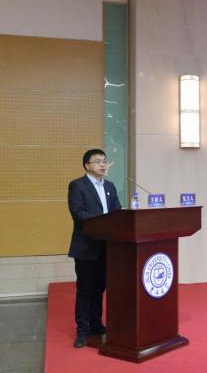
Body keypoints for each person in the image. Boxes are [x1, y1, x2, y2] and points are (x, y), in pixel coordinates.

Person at [67, 149, 122, 348]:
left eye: (105, 161)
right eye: (98, 161)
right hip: (86, 246)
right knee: (85, 290)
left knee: (99, 288)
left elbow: (117, 211)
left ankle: (96, 325)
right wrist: (104, 221)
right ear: (87, 165)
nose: (103, 165)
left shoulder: (110, 186)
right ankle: (82, 330)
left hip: (107, 247)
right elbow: (78, 214)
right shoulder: (77, 186)